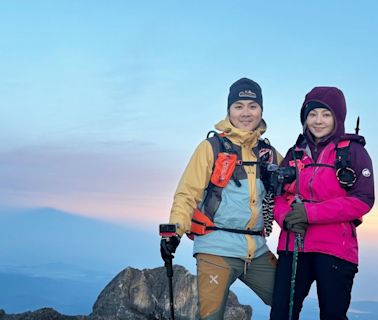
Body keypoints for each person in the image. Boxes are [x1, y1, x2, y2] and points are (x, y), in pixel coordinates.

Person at [160, 77, 283, 319]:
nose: (245, 113)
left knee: (288, 301)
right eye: (238, 106)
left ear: (261, 110)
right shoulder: (211, 148)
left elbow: (293, 190)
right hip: (216, 249)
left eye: (252, 106)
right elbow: (187, 193)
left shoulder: (268, 154)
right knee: (211, 316)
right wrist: (174, 231)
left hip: (257, 251)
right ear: (229, 111)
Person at [270, 86, 375, 320]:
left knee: (333, 315)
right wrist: (286, 218)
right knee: (281, 314)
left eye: (326, 115)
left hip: (336, 249)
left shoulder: (354, 153)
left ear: (338, 117)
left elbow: (363, 199)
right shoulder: (294, 153)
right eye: (312, 114)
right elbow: (277, 195)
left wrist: (310, 213)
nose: (318, 121)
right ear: (304, 118)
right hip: (293, 246)